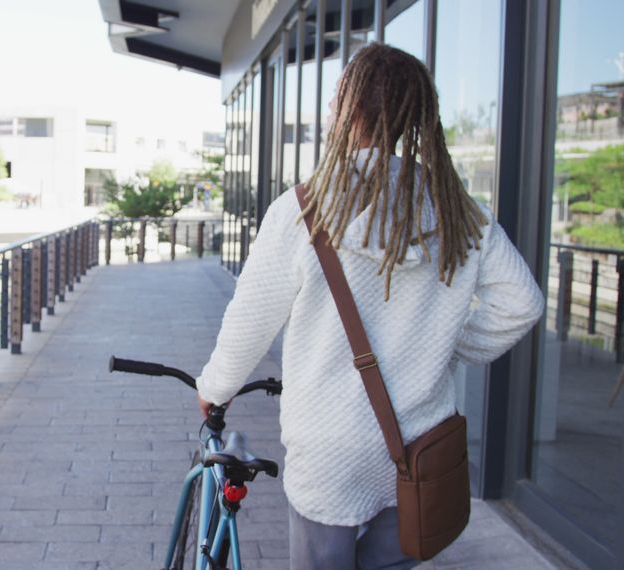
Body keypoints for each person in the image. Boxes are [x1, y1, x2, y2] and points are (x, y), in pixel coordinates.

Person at [194, 43, 544, 570]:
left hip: (329, 446)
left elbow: (250, 323)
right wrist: (447, 347)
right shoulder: (455, 209)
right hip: (419, 443)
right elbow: (523, 303)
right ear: (419, 115)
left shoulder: (304, 208)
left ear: (346, 108)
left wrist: (213, 389)